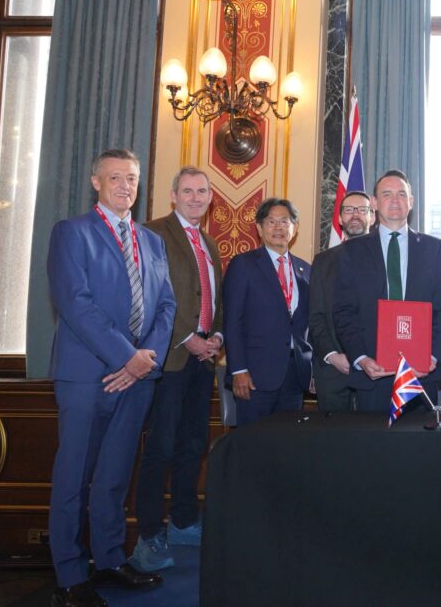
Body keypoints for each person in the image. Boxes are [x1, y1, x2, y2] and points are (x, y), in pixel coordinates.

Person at [46, 148, 176, 606]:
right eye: (115, 177)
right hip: (88, 376)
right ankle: (69, 575)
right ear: (96, 183)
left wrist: (145, 360)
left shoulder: (152, 242)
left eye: (132, 178)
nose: (125, 186)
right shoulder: (72, 232)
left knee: (115, 476)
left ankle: (109, 559)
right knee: (74, 477)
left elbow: (166, 306)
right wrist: (127, 357)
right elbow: (75, 303)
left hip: (138, 379)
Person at [131, 167, 224, 573]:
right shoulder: (153, 233)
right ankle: (149, 533)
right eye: (187, 191)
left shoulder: (209, 243)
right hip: (169, 358)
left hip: (203, 363)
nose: (195, 198)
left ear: (210, 197)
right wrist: (188, 337)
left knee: (193, 444)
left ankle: (183, 522)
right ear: (173, 195)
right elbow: (150, 296)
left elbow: (215, 298)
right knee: (161, 447)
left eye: (202, 191)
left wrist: (216, 336)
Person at [334, 170, 441, 412]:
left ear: (411, 202)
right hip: (372, 374)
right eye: (387, 194)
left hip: (421, 374)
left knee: (418, 438)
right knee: (374, 438)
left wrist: (432, 356)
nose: (395, 200)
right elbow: (343, 310)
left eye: (401, 194)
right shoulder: (352, 251)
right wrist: (361, 359)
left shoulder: (433, 248)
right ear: (375, 203)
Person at [223, 198, 313, 426]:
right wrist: (238, 370)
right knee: (253, 442)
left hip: (294, 375)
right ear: (259, 228)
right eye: (271, 222)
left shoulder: (306, 270)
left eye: (285, 221)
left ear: (295, 228)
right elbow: (232, 321)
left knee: (287, 442)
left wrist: (312, 369)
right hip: (254, 375)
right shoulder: (243, 265)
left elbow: (309, 325)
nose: (278, 227)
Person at [308, 191, 374, 412]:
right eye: (348, 210)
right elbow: (315, 315)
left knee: (373, 432)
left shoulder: (385, 260)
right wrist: (332, 355)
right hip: (333, 369)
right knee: (333, 433)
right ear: (339, 218)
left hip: (375, 368)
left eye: (362, 210)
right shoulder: (322, 261)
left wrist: (364, 357)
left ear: (373, 216)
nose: (355, 215)